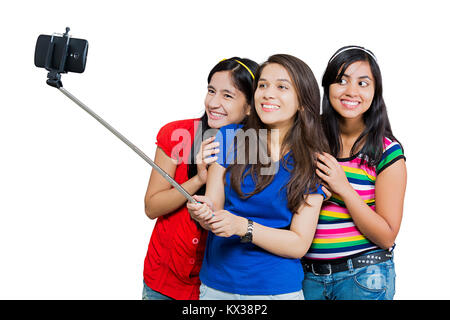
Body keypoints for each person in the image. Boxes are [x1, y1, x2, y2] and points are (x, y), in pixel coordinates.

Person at [187, 54, 329, 300]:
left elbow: (298, 243)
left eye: (281, 87)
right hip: (217, 285)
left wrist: (243, 227)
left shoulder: (312, 162)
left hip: (277, 289)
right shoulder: (229, 137)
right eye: (262, 85)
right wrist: (202, 211)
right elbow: (213, 208)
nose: (267, 93)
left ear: (303, 102)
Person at [142, 57, 258, 300]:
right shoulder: (177, 134)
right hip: (164, 281)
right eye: (211, 91)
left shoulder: (261, 150)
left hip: (219, 286)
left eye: (228, 95)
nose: (213, 103)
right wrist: (199, 179)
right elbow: (152, 207)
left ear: (249, 106)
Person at [301, 46, 407, 300]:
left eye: (363, 83)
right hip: (307, 277)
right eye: (341, 81)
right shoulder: (309, 138)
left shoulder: (386, 151)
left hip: (363, 277)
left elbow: (386, 236)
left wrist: (343, 188)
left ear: (375, 92)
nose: (351, 91)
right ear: (327, 86)